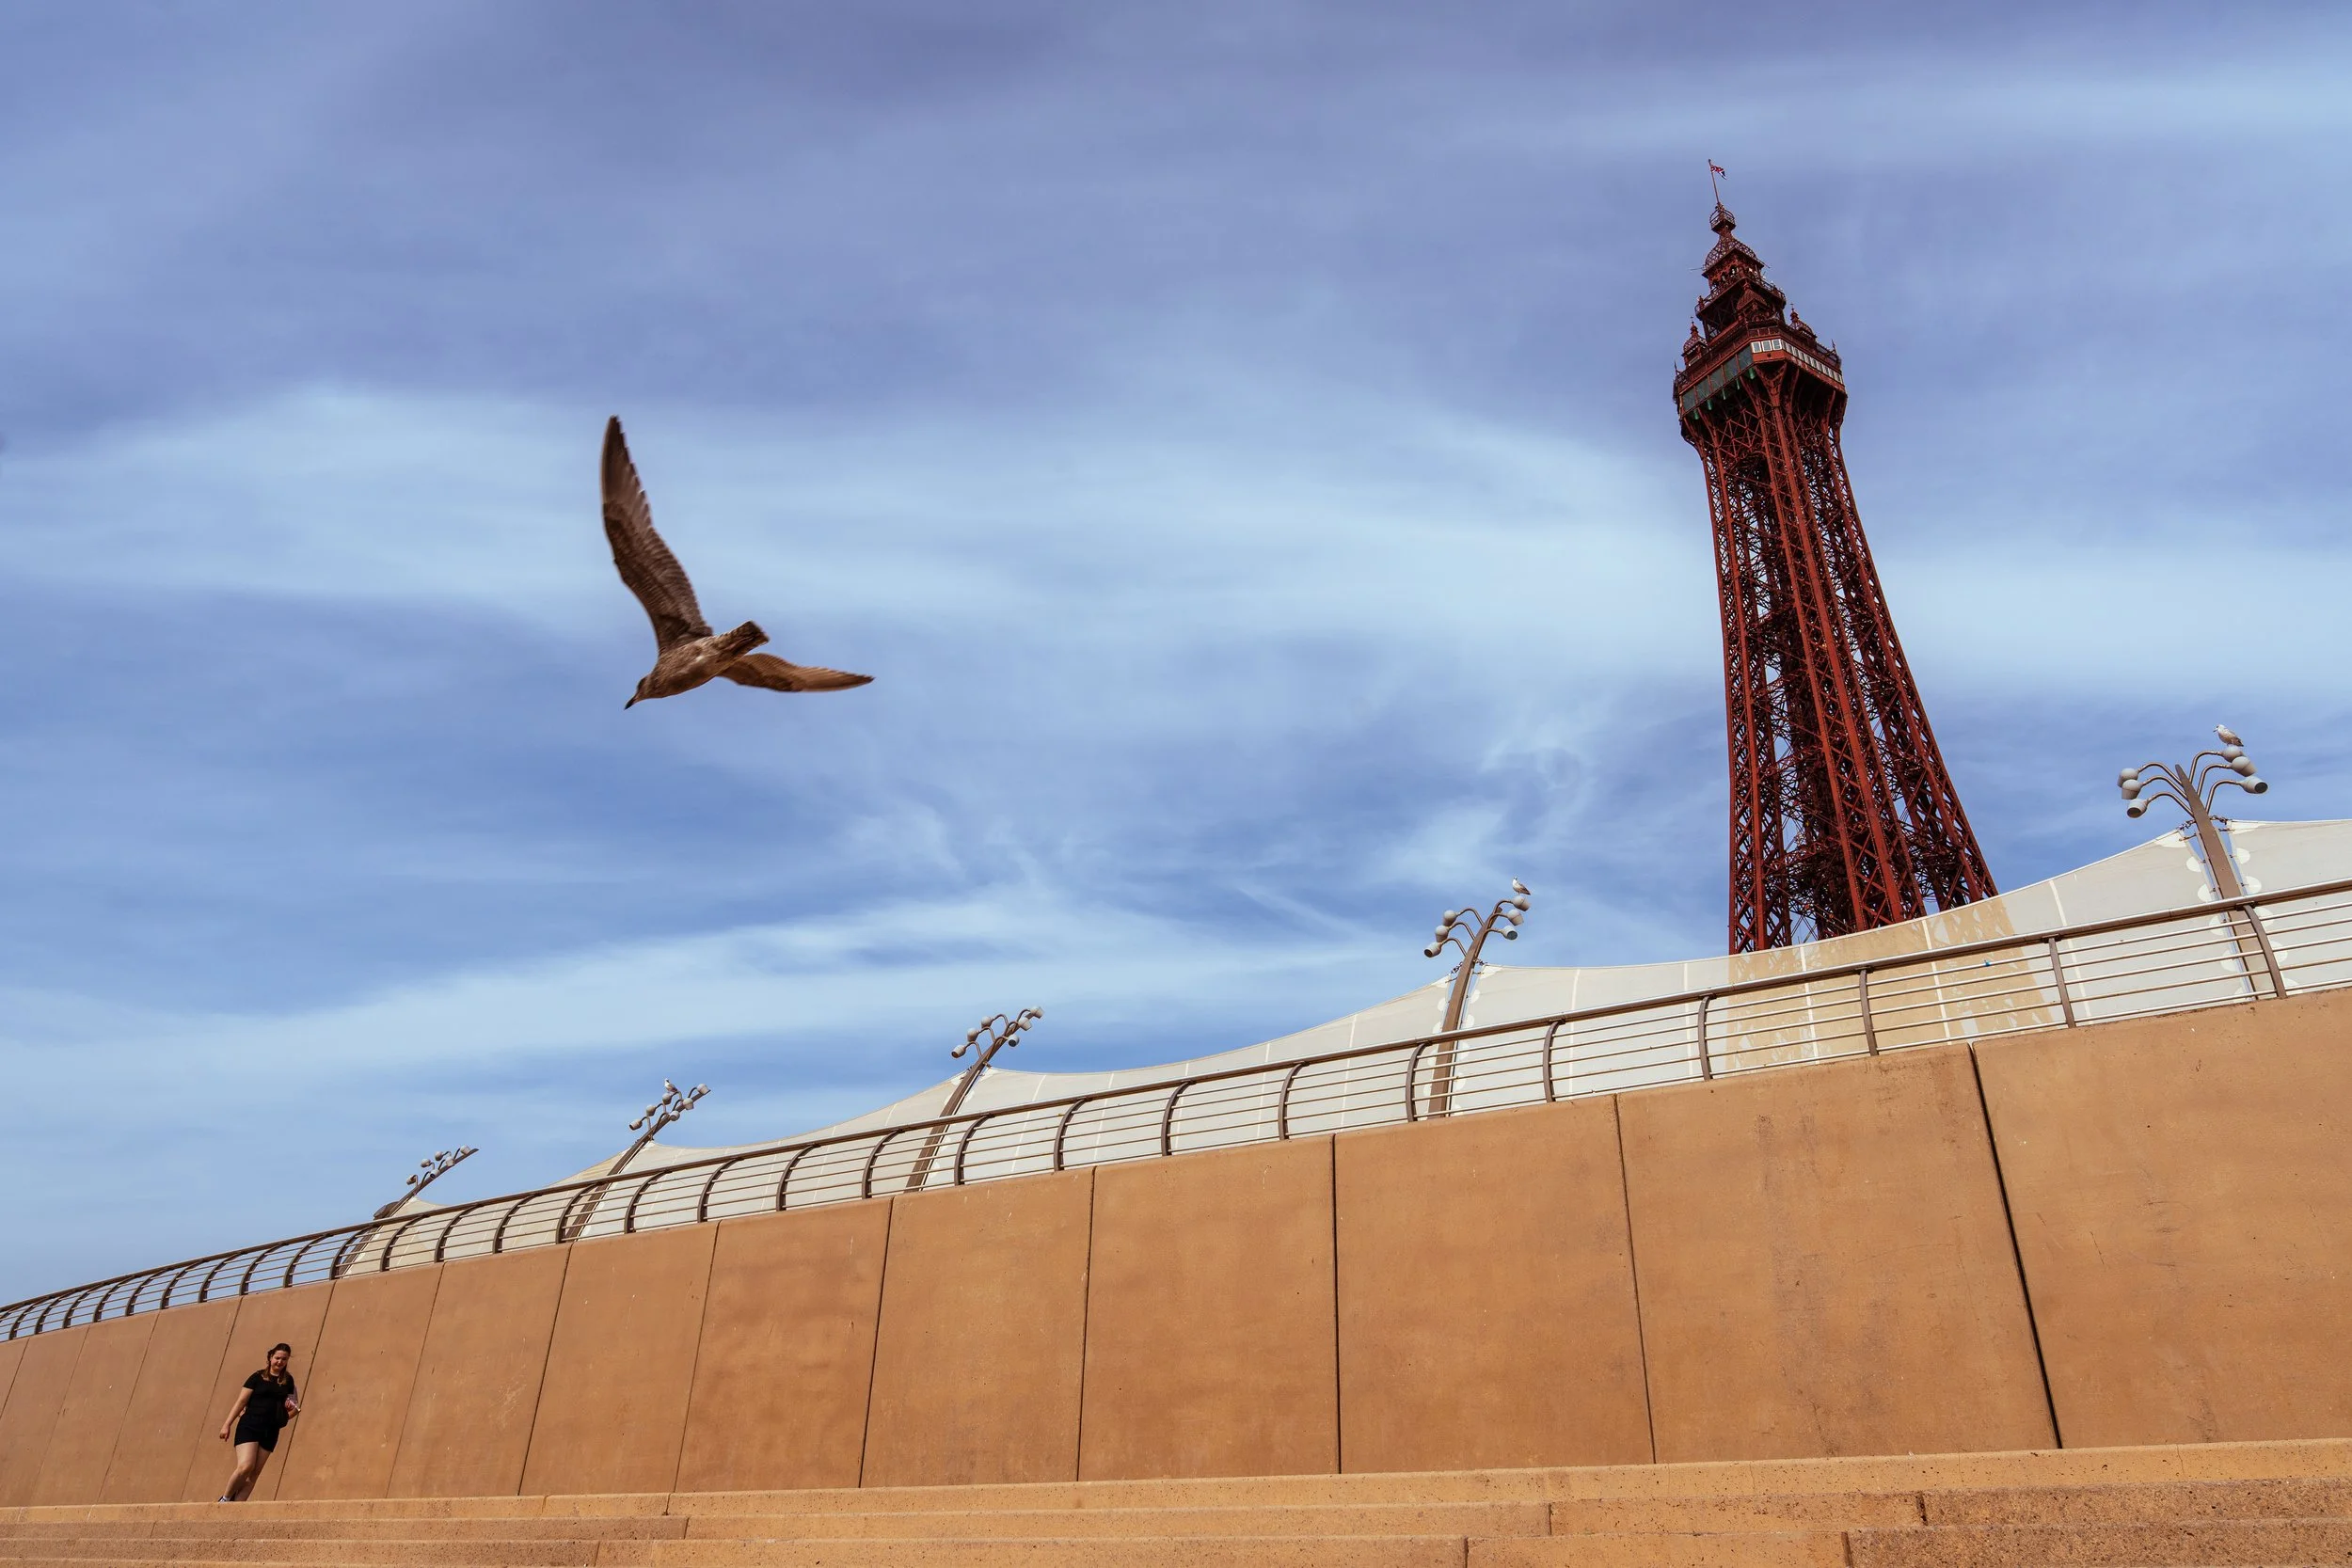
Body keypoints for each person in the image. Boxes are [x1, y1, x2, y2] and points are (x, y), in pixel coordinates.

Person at [215, 1342, 301, 1501]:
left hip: (270, 1430)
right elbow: (241, 1402)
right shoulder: (257, 1377)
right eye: (277, 1358)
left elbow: (294, 1408)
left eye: (284, 1359)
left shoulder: (288, 1381)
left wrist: (284, 1415)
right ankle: (225, 1499)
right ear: (270, 1357)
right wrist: (227, 1424)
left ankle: (236, 1507)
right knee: (246, 1466)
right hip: (250, 1425)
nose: (280, 1362)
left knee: (254, 1474)